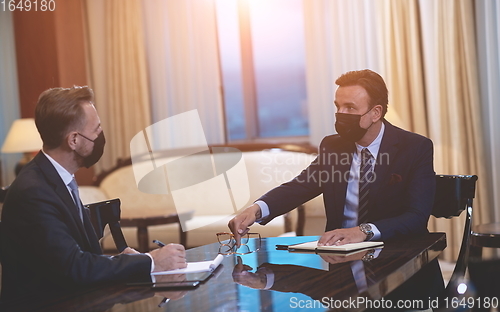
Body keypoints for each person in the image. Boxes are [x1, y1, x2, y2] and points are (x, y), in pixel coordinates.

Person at [0, 86, 187, 301]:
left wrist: (128, 261)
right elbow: (74, 268)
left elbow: (80, 258)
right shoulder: (33, 193)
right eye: (96, 129)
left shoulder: (57, 177)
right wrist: (152, 261)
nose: (100, 134)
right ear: (73, 140)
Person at [229, 69, 436, 246]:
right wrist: (256, 210)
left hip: (393, 252)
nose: (341, 114)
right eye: (338, 106)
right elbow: (300, 187)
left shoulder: (415, 148)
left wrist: (362, 231)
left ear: (376, 113)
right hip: (339, 256)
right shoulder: (333, 146)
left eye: (351, 108)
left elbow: (416, 217)